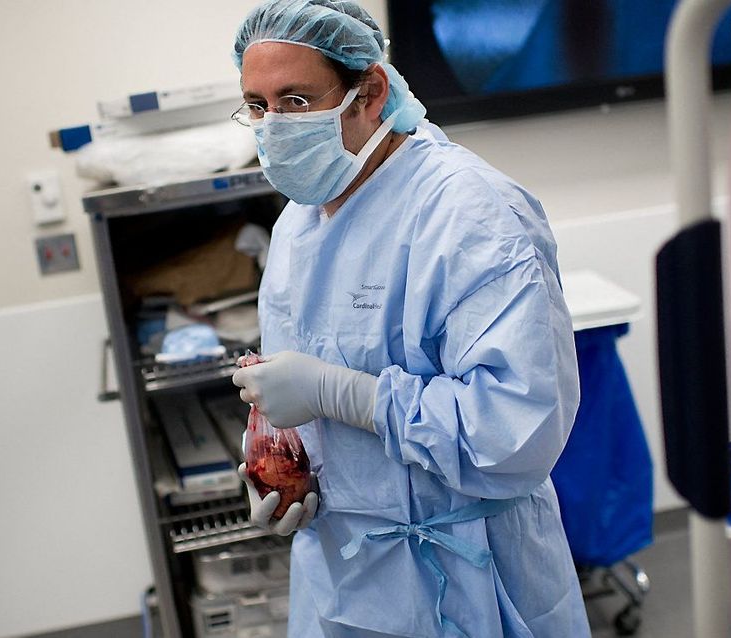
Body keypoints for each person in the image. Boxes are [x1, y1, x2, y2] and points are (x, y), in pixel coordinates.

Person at [229, 1, 590, 636]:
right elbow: (297, 396)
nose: (274, 126)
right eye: (258, 106)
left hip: (468, 579)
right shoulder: (297, 225)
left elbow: (516, 431)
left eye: (296, 100)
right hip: (342, 579)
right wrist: (280, 468)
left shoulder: (470, 214)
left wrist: (343, 394)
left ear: (369, 91)